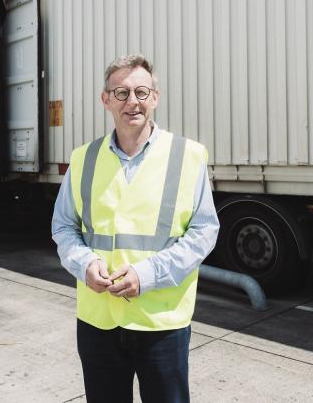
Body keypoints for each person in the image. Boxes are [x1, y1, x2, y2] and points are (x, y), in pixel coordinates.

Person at [51, 54, 220, 403]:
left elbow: (204, 231)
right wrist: (83, 263)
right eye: (121, 92)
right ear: (105, 100)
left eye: (142, 92)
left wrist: (148, 274)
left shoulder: (187, 155)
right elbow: (64, 227)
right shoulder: (84, 158)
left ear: (155, 98)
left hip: (161, 322)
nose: (133, 102)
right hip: (98, 320)